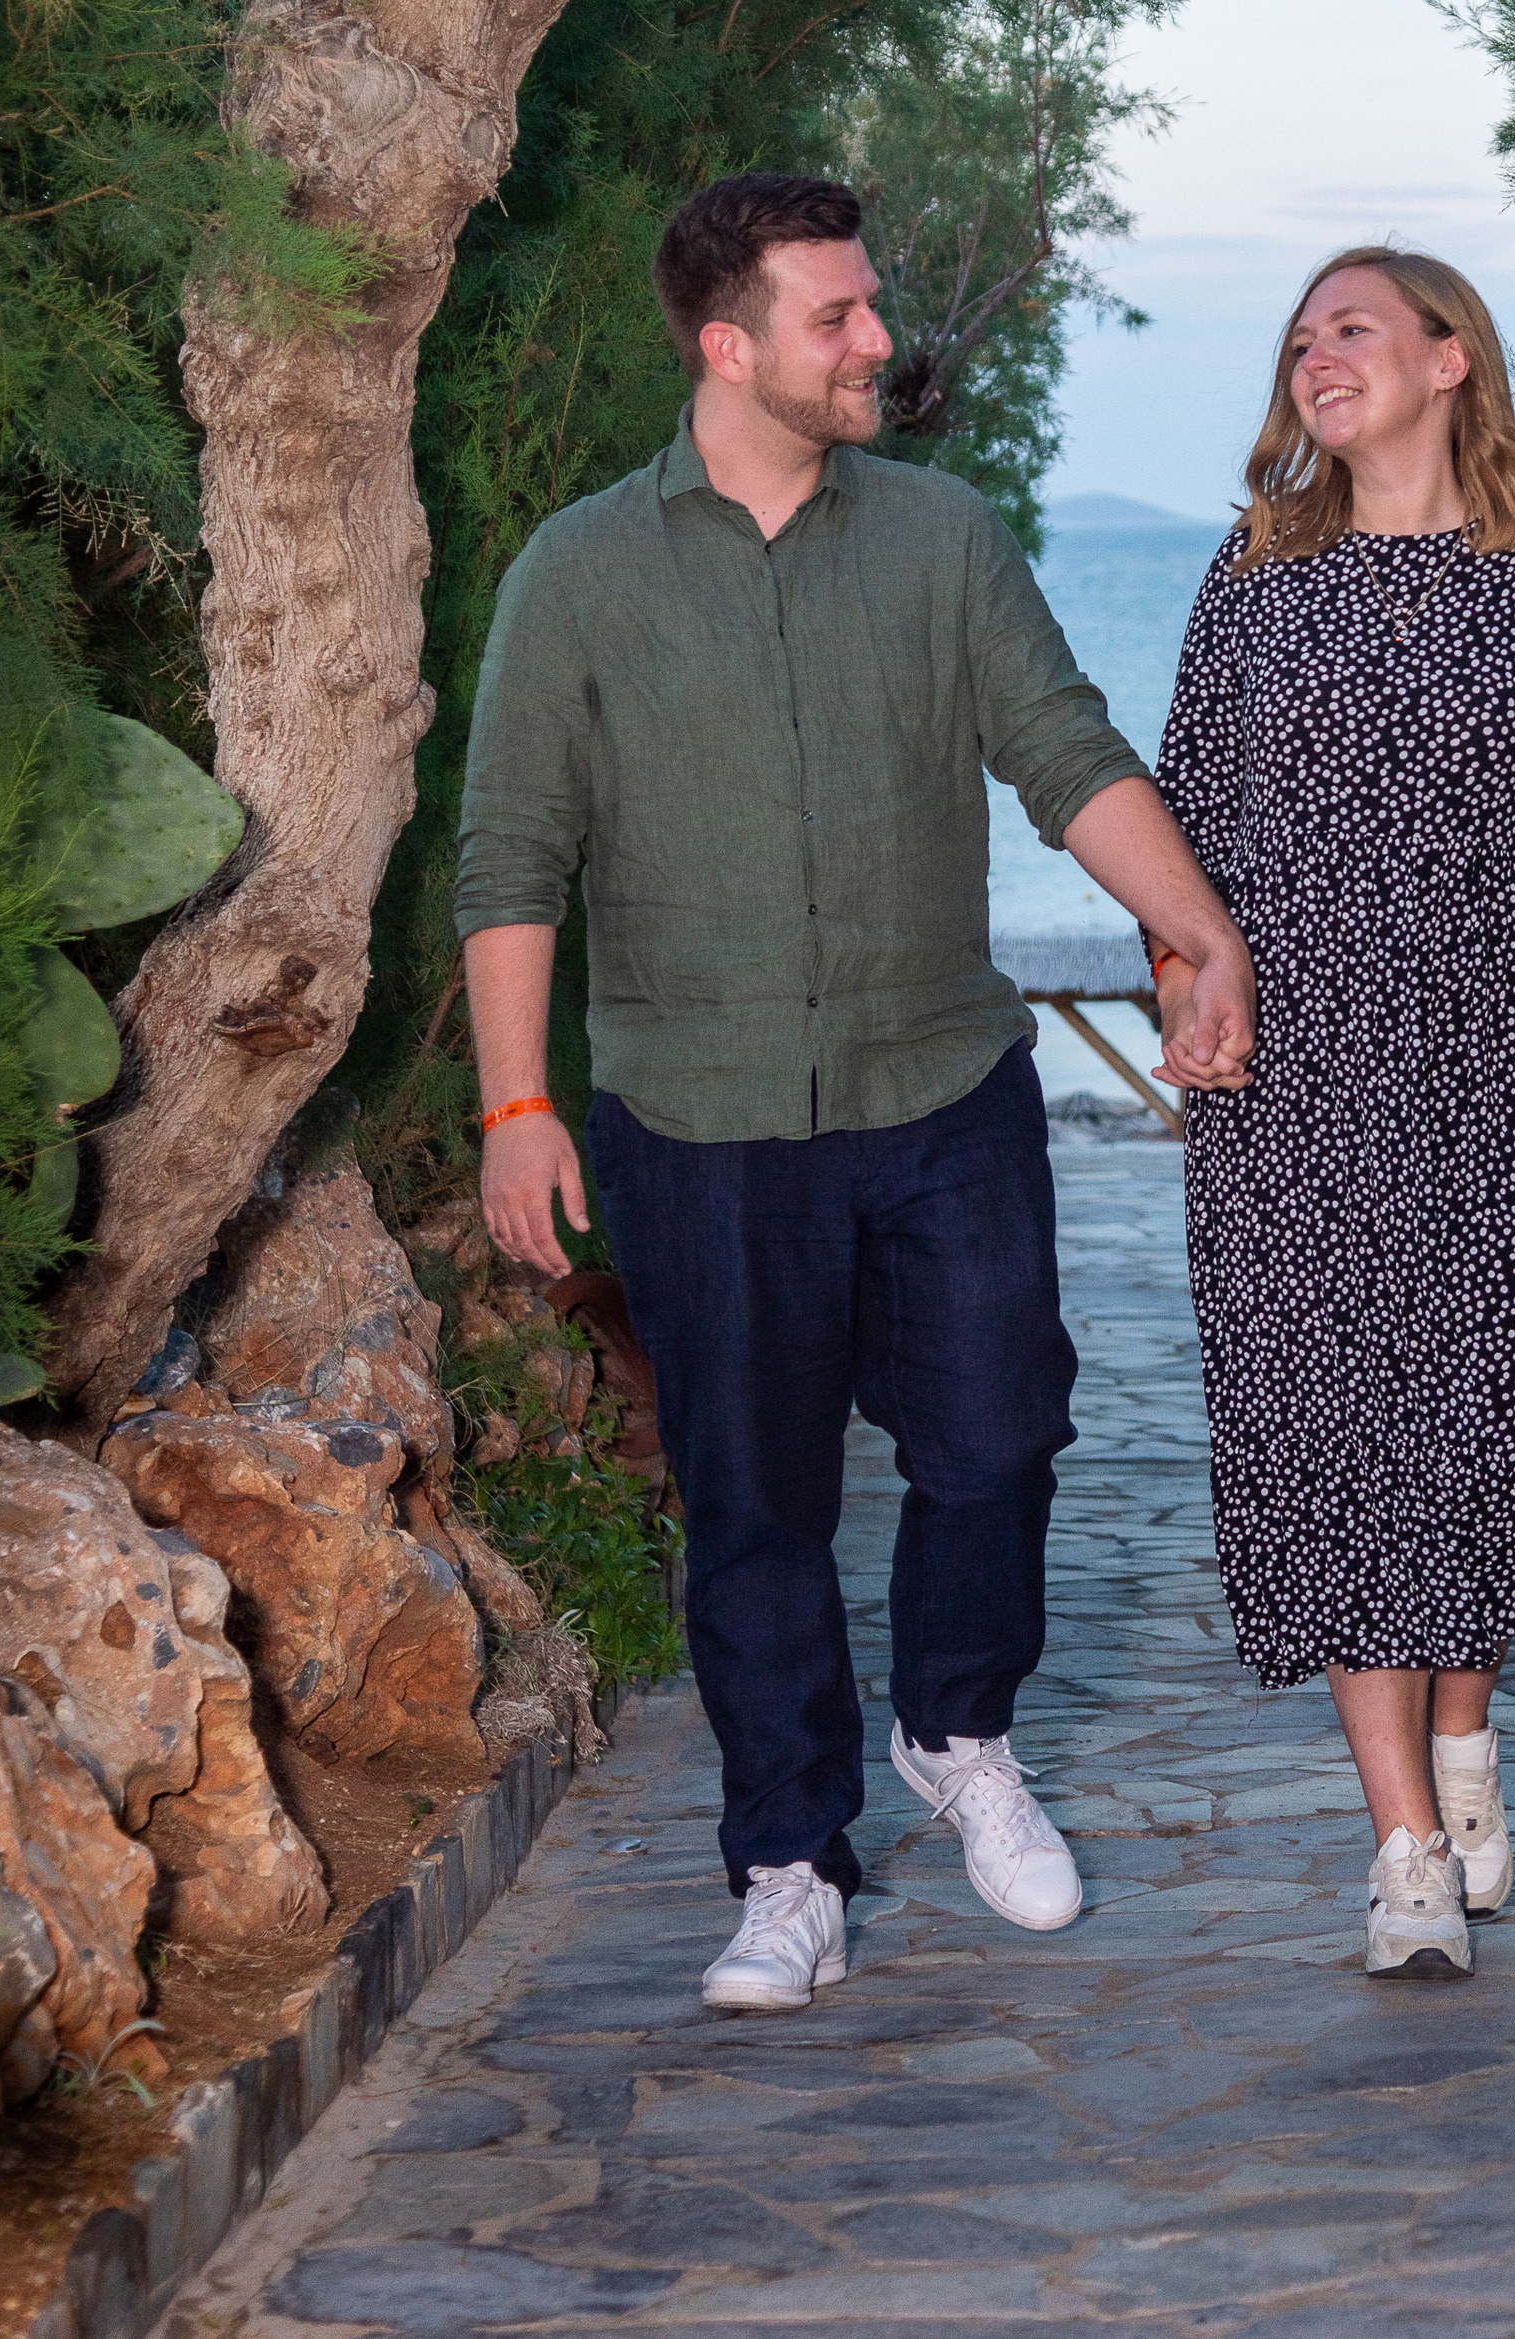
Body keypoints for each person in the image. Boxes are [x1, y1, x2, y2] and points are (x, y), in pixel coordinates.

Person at [457, 171, 1257, 2014]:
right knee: (757, 1505)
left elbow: (1065, 750)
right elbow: (510, 859)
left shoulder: (942, 538)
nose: (880, 340)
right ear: (729, 345)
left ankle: (958, 1736)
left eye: (874, 305)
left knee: (1000, 1440)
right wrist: (519, 1107)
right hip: (699, 1115)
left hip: (940, 1083)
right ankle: (788, 1862)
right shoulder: (578, 575)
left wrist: (1200, 934)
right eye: (840, 315)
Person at [1147, 246, 1515, 1977]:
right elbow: (1185, 836)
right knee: (1332, 1436)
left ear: (1450, 360)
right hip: (1292, 1072)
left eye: (1350, 328)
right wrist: (1182, 997)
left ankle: (1464, 1735)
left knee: (1474, 1428)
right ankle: (1406, 1852)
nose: (1317, 359)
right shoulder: (1255, 576)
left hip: (1492, 1060)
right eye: (1298, 340)